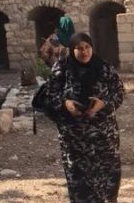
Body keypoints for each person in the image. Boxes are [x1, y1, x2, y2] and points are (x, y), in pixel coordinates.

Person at [48, 32, 124, 203]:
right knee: (79, 179)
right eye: (79, 48)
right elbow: (50, 94)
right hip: (74, 137)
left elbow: (119, 92)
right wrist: (65, 104)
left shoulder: (104, 67)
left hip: (104, 135)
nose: (84, 52)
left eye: (87, 47)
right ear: (72, 50)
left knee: (108, 177)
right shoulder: (62, 68)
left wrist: (103, 104)